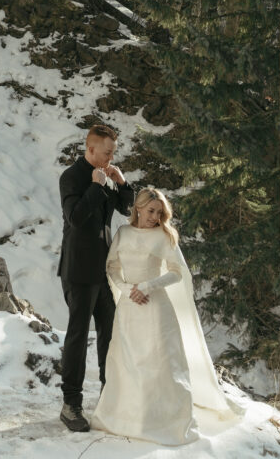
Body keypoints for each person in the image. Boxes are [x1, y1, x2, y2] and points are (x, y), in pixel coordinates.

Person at [91, 187, 242, 446]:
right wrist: (128, 290)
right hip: (129, 307)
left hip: (155, 306)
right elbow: (112, 267)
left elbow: (176, 272)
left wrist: (148, 286)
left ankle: (160, 420)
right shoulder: (123, 233)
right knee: (128, 361)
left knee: (158, 363)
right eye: (151, 211)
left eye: (160, 213)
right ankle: (127, 417)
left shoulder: (163, 235)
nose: (155, 217)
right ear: (137, 208)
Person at [58, 123, 133, 433]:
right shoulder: (72, 177)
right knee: (78, 334)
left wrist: (122, 182)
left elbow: (128, 209)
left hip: (104, 269)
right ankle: (70, 404)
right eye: (106, 152)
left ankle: (109, 395)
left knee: (110, 332)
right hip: (78, 269)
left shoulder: (105, 176)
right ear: (90, 149)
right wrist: (94, 185)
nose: (110, 157)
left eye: (113, 152)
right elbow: (74, 218)